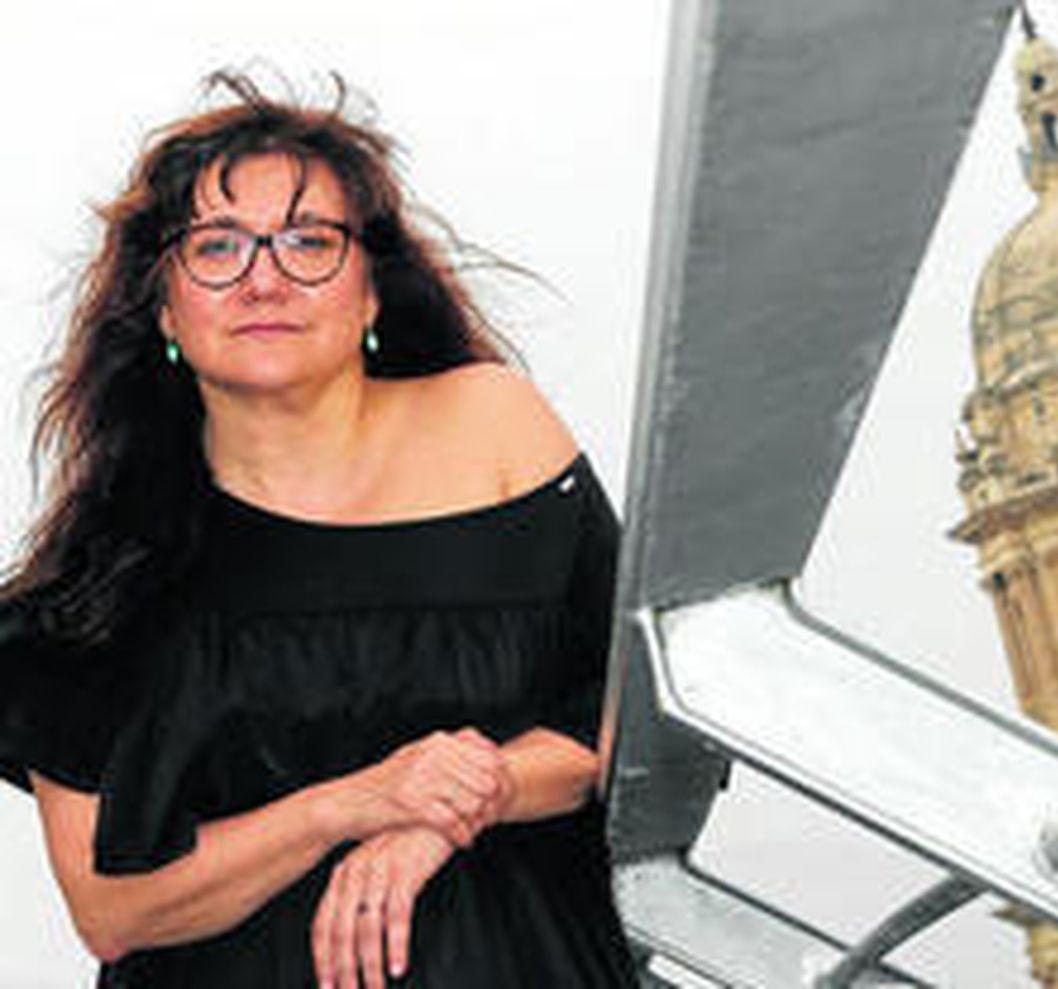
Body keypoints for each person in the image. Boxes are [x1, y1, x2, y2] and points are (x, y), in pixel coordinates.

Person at [0, 74, 639, 988]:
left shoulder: (495, 426)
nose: (264, 277)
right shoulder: (99, 583)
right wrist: (351, 804)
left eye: (310, 241)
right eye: (217, 246)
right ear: (164, 309)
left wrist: (451, 809)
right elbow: (113, 910)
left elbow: (630, 710)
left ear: (372, 292)